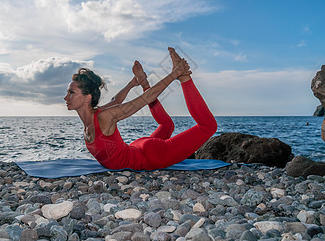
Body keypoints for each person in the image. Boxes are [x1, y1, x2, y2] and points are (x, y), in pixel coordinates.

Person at [64, 47, 217, 170]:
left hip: (151, 156)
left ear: (87, 97)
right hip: (138, 147)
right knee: (167, 125)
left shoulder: (104, 117)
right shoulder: (97, 115)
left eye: (71, 93)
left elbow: (145, 99)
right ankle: (146, 83)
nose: (66, 97)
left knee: (208, 126)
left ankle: (184, 79)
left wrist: (176, 73)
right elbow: (116, 100)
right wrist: (134, 83)